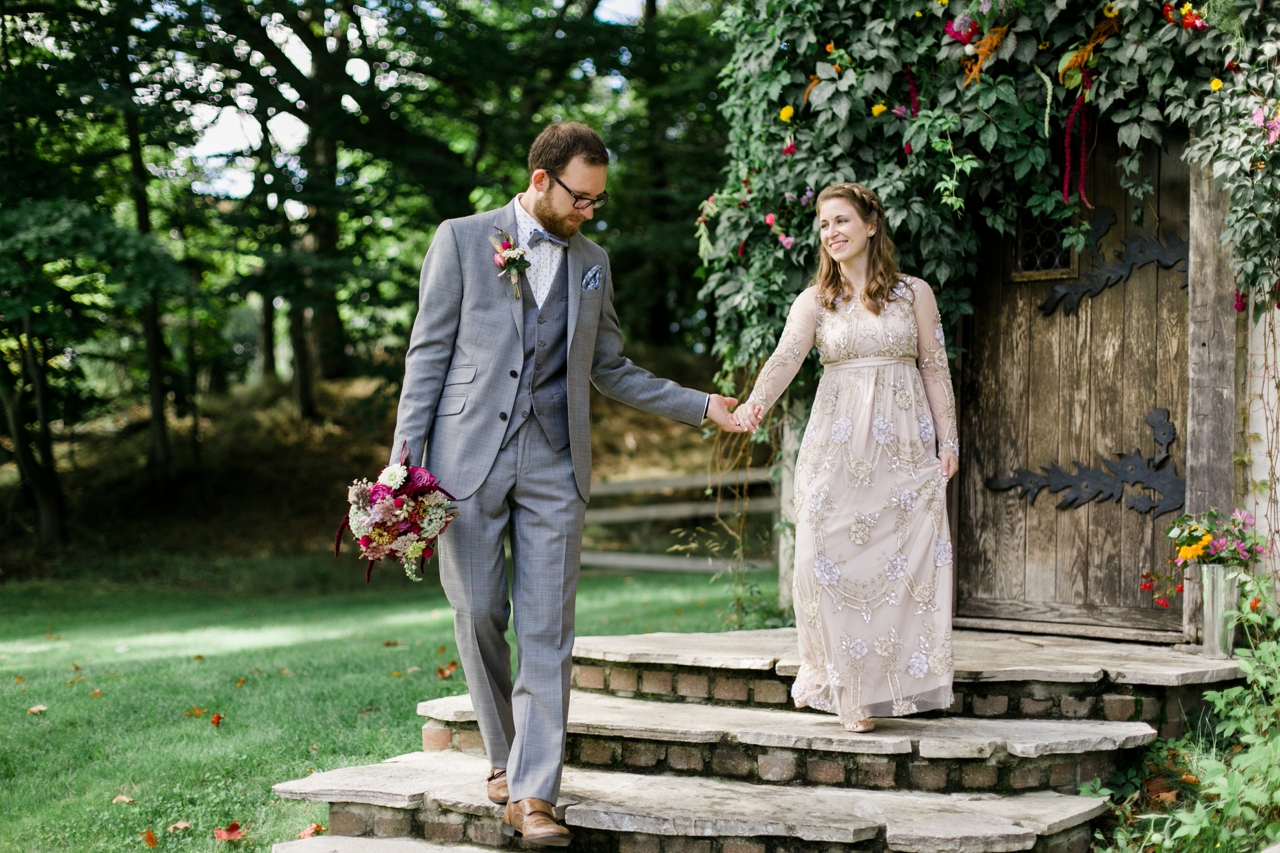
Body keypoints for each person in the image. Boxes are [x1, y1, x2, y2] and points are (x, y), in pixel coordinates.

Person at [389, 122, 744, 845]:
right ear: (542, 179)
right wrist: (404, 466)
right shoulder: (461, 239)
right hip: (466, 461)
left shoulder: (593, 262)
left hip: (556, 461)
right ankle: (503, 756)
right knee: (481, 611)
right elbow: (426, 357)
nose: (590, 212)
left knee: (548, 627)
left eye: (598, 203)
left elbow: (610, 368)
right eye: (581, 199)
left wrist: (702, 405)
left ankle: (536, 792)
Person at [733, 182, 957, 733]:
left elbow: (934, 367)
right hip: (835, 445)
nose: (831, 233)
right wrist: (754, 405)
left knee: (901, 563)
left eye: (841, 221)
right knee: (817, 553)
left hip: (903, 448)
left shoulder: (914, 294)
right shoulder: (815, 301)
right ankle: (841, 684)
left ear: (871, 224)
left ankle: (880, 688)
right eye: (823, 224)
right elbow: (786, 358)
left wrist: (948, 440)